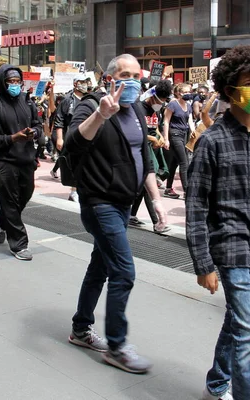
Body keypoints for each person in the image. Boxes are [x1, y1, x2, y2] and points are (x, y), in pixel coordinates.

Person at [186, 45, 250, 400]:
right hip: (228, 251)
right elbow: (196, 205)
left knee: (237, 321)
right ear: (230, 91)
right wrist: (203, 264)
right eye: (249, 83)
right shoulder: (211, 142)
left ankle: (217, 383)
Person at [65, 54, 167, 374]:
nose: (134, 80)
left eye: (138, 75)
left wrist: (156, 201)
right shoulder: (92, 105)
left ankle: (81, 329)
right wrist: (100, 115)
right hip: (99, 203)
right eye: (126, 74)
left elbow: (143, 155)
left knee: (101, 264)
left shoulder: (137, 107)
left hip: (125, 202)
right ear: (110, 78)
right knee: (123, 271)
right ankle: (117, 346)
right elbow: (71, 145)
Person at [0, 65, 42, 261]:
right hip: (4, 162)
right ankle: (19, 244)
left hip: (26, 160)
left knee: (24, 197)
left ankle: (2, 221)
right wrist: (12, 138)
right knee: (9, 202)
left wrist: (34, 133)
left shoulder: (28, 103)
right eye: (11, 81)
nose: (15, 85)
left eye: (18, 81)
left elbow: (38, 125)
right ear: (3, 82)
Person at [129, 80, 172, 234]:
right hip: (140, 150)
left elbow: (157, 127)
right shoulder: (137, 108)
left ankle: (131, 214)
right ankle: (157, 222)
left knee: (144, 186)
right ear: (153, 96)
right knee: (149, 184)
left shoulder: (157, 110)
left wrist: (160, 138)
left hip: (152, 150)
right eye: (161, 101)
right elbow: (134, 132)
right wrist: (152, 139)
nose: (161, 105)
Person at [51, 75, 89, 201]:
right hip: (71, 137)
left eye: (85, 82)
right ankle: (74, 190)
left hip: (85, 136)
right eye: (81, 82)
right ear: (75, 83)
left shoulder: (88, 99)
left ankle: (80, 189)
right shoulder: (67, 100)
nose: (84, 84)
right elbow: (59, 119)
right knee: (74, 164)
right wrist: (60, 138)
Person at [162, 83, 196, 199]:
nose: (187, 94)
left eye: (189, 92)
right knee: (184, 162)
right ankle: (187, 191)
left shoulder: (188, 105)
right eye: (185, 92)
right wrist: (166, 139)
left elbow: (190, 120)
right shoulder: (172, 104)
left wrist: (193, 131)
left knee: (175, 163)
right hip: (174, 133)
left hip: (184, 134)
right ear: (178, 93)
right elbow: (166, 121)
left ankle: (168, 188)